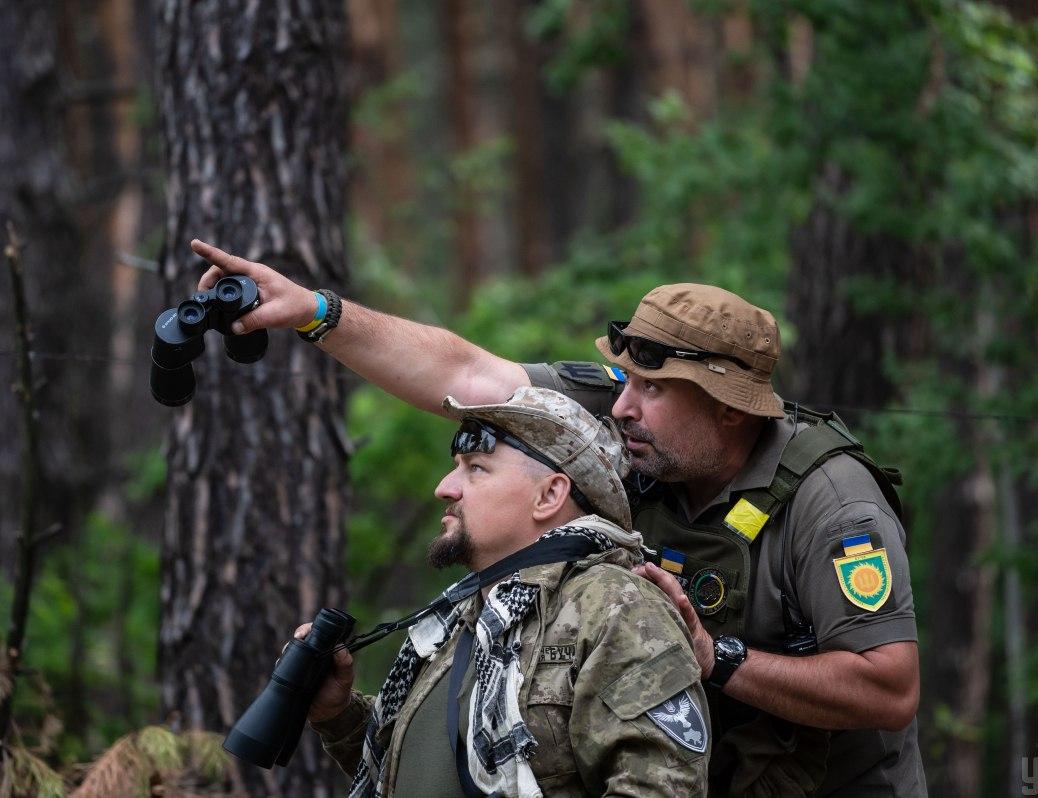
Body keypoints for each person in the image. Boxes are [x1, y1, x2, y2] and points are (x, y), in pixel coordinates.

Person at [194, 239, 926, 797]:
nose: (624, 406)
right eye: (627, 379)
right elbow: (467, 380)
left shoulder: (830, 503)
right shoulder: (639, 434)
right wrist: (315, 311)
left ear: (730, 410)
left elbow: (891, 689)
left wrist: (718, 660)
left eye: (654, 389)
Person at [299, 387, 710, 797]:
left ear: (549, 495)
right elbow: (431, 770)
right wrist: (338, 714)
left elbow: (662, 787)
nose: (446, 487)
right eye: (456, 466)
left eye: (476, 467)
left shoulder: (614, 605)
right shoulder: (463, 616)